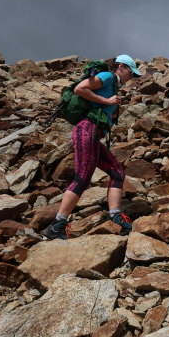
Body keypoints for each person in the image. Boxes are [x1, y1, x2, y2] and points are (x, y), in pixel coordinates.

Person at [44, 54, 142, 240]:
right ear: (120, 66)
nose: (132, 77)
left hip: (93, 135)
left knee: (117, 173)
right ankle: (57, 225)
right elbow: (81, 88)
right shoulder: (107, 76)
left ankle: (115, 218)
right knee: (83, 177)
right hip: (86, 130)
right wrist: (106, 102)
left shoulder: (113, 86)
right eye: (131, 72)